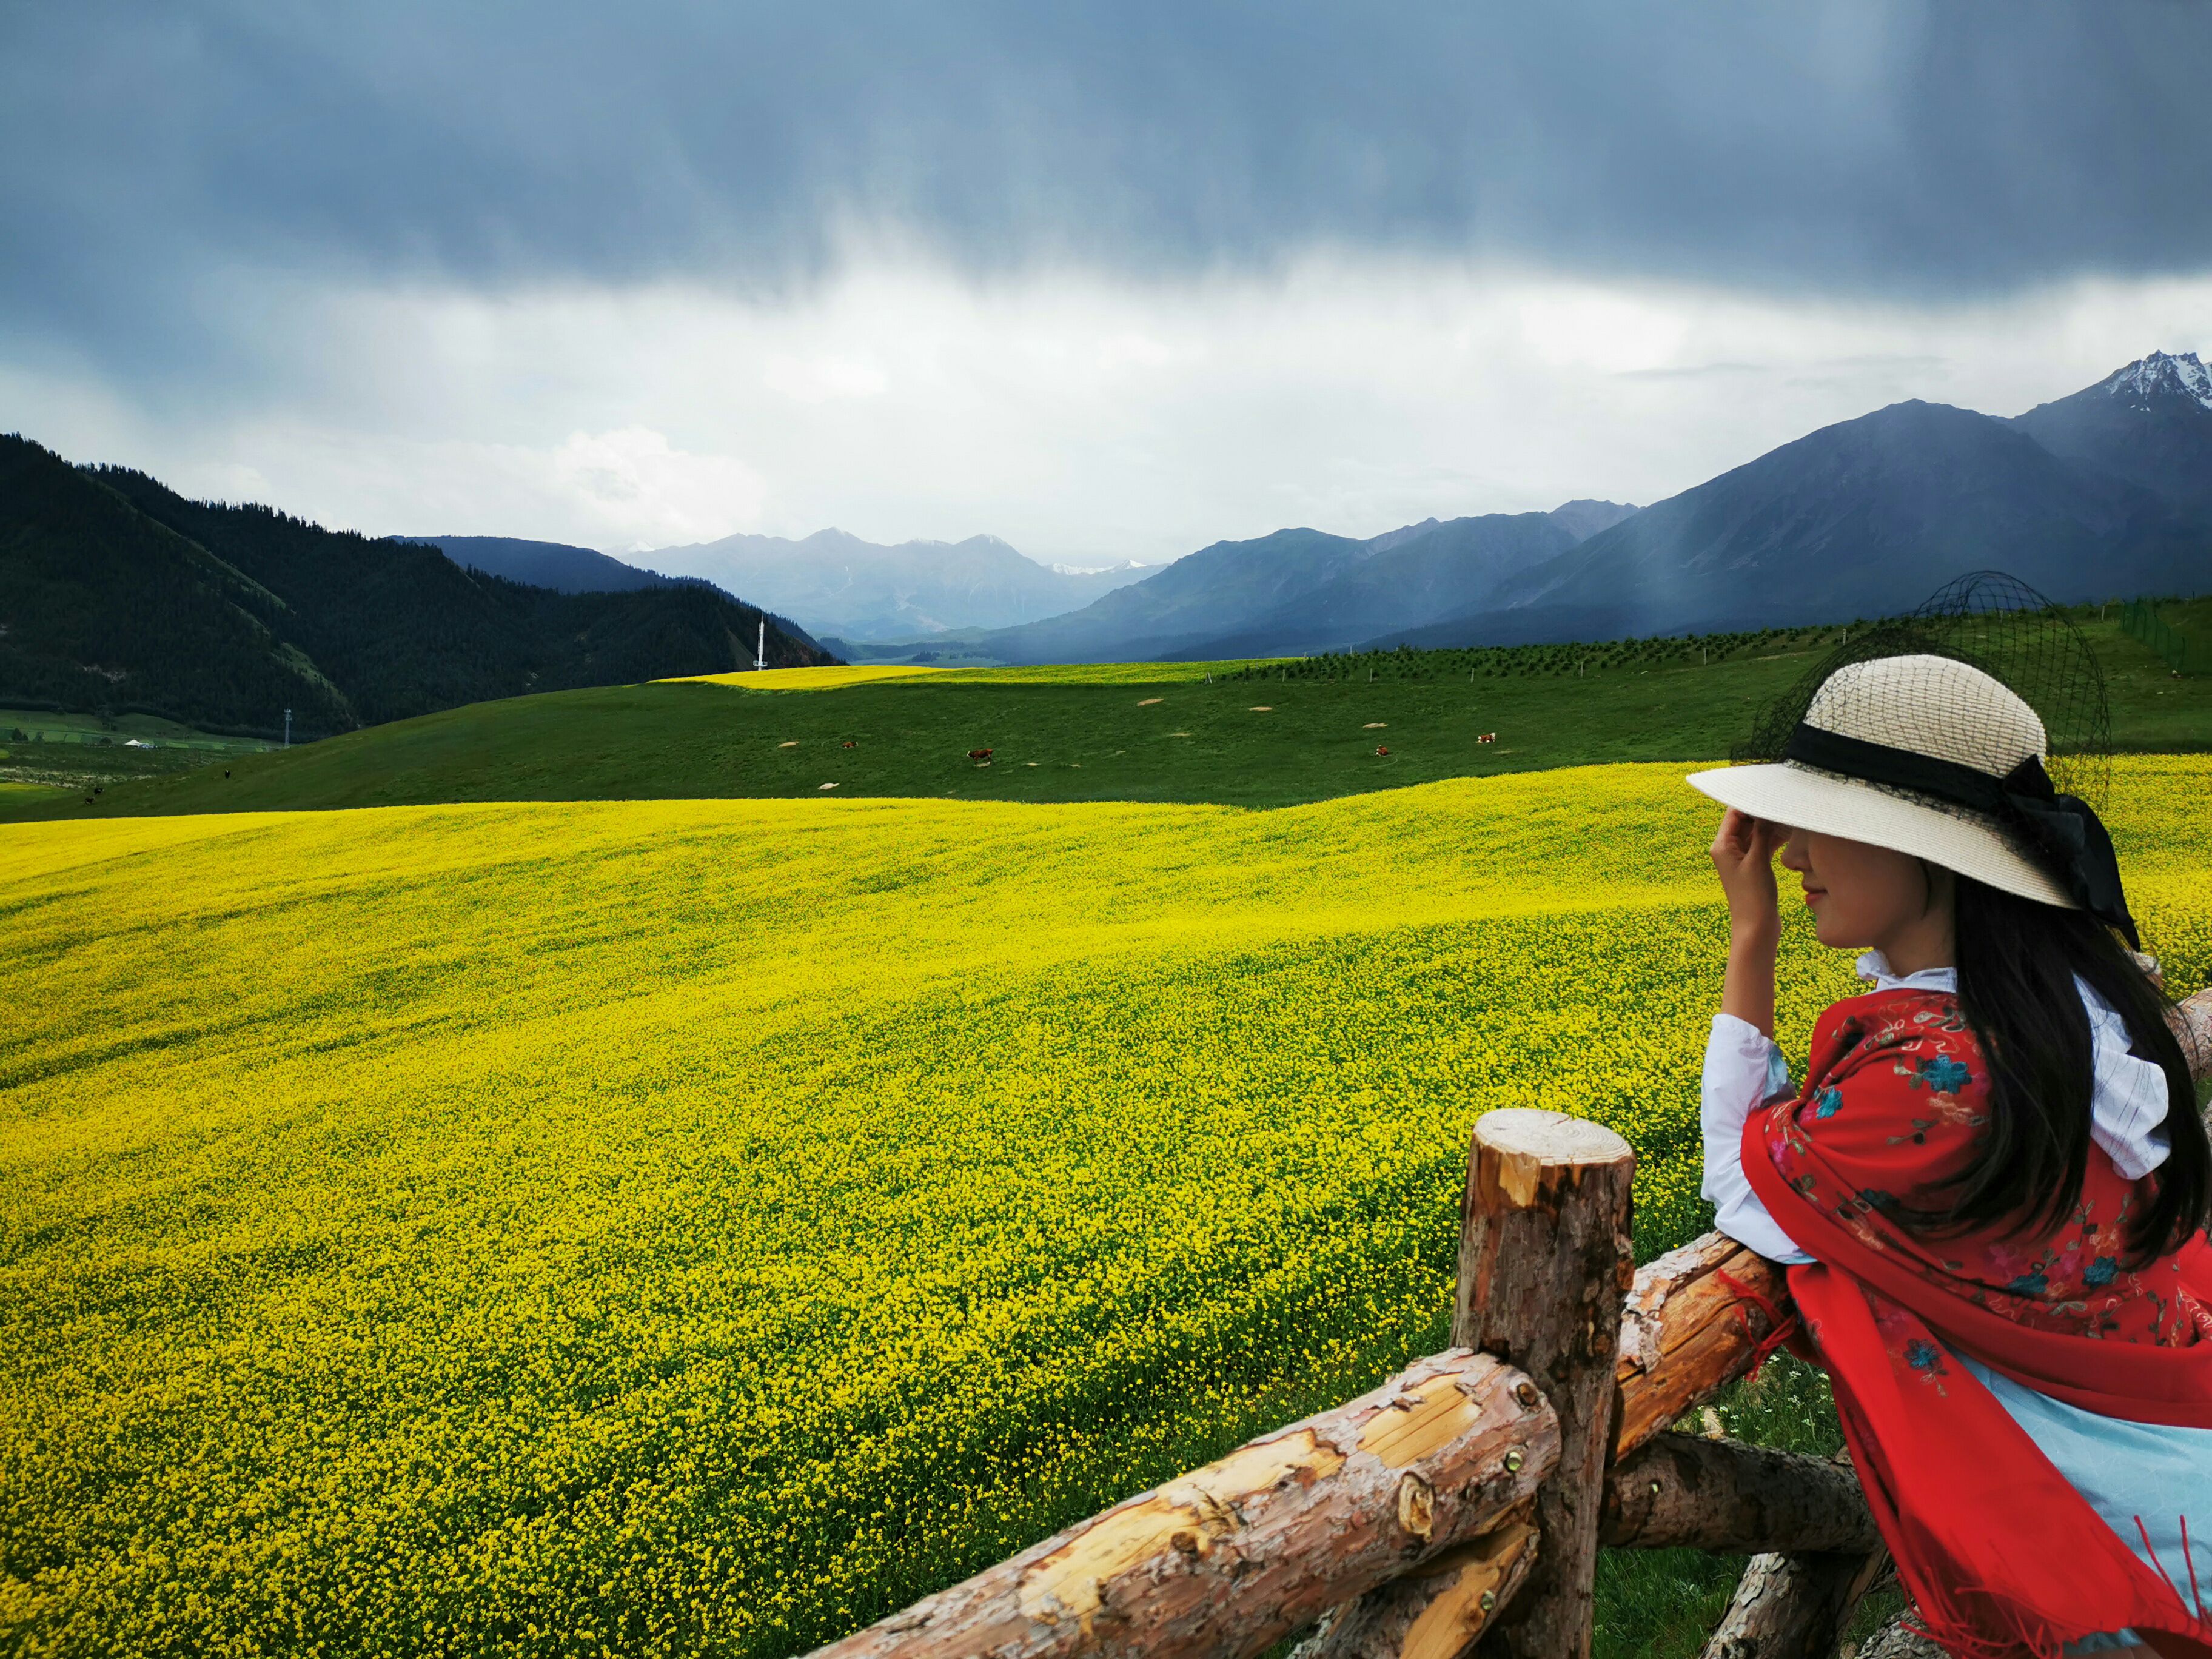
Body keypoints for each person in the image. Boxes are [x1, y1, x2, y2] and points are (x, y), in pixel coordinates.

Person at [1689, 652, 2212, 1658]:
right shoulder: (2073, 1001)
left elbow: (1748, 1188)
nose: (1790, 853)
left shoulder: (1933, 1077)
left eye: (1817, 818)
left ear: (1924, 844)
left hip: (2126, 1533)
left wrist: (1747, 936)